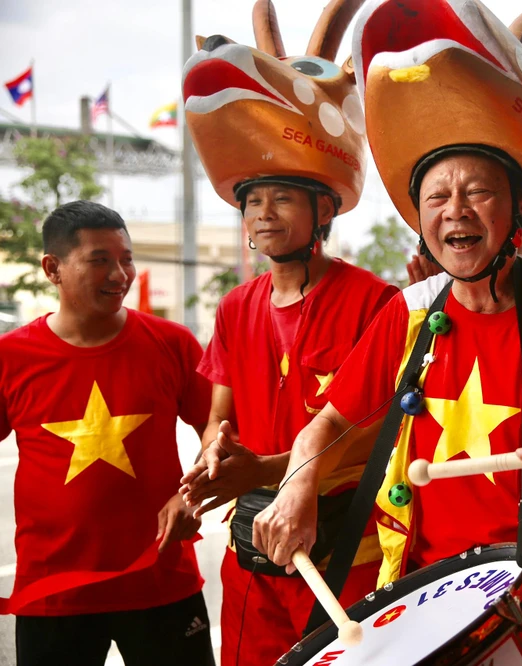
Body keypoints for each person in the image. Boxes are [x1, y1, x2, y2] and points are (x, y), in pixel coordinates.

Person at [253, 3, 522, 663]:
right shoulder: (408, 313)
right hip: (444, 611)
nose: (454, 212)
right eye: (435, 199)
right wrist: (297, 484)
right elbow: (323, 427)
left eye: (476, 191)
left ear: (521, 207)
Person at [175, 3, 397, 664]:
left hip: (344, 552)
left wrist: (265, 470)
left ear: (323, 208)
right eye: (251, 201)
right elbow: (220, 416)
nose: (262, 216)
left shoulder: (374, 302)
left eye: (281, 199)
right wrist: (215, 457)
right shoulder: (234, 306)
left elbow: (369, 440)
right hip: (251, 557)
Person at [0, 201, 213, 666]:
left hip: (162, 581)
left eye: (127, 259)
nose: (120, 274)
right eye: (100, 260)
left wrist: (194, 493)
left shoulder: (172, 343)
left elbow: (216, 431)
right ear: (52, 269)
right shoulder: (11, 356)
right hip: (52, 592)